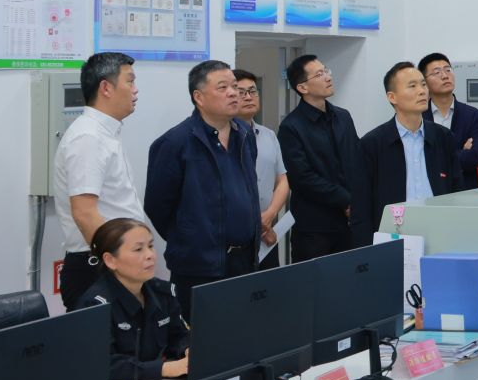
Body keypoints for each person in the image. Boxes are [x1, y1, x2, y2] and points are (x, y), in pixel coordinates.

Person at [144, 60, 259, 317]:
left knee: (244, 331)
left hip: (245, 261)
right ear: (199, 97)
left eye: (234, 86)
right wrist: (190, 237)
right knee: (201, 335)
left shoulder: (244, 133)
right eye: (223, 87)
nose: (234, 93)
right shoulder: (175, 143)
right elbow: (157, 206)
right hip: (199, 266)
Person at [53, 51, 147, 311]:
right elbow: (85, 213)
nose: (136, 90)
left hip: (112, 262)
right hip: (98, 267)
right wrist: (119, 263)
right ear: (106, 88)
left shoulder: (105, 133)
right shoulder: (88, 137)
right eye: (130, 81)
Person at [354, 62, 471, 246]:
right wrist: (367, 251)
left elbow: (457, 192)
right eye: (412, 86)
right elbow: (361, 208)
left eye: (423, 84)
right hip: (392, 237)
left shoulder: (443, 137)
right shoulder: (372, 144)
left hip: (440, 233)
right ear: (392, 97)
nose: (422, 91)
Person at [276, 55, 366, 262]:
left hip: (351, 221)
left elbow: (357, 158)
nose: (328, 77)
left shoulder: (343, 116)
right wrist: (345, 200)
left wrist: (358, 199)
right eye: (319, 74)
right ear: (302, 88)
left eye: (326, 70)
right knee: (315, 281)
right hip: (315, 228)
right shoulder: (291, 127)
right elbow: (302, 178)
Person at [86, 219, 189, 380]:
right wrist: (163, 369)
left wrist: (186, 349)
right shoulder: (96, 305)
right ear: (110, 260)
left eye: (150, 246)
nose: (150, 255)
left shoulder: (162, 292)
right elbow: (104, 365)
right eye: (138, 249)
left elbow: (178, 335)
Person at [231, 69, 291, 267]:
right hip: (236, 238)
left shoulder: (268, 135)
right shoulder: (224, 139)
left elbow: (282, 180)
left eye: (253, 91)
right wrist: (258, 224)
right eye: (241, 92)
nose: (249, 97)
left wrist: (269, 216)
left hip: (267, 234)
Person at [419, 53, 478, 186]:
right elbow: (415, 159)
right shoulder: (418, 116)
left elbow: (474, 158)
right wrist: (461, 153)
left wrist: (434, 158)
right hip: (429, 190)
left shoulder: (473, 115)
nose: (445, 76)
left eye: (448, 70)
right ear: (424, 82)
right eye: (437, 72)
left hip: (465, 191)